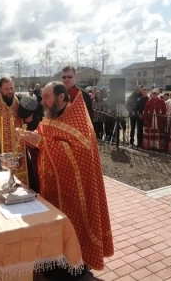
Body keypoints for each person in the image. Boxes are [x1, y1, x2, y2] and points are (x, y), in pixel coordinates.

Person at [17, 82, 113, 280]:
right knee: (53, 225)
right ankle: (54, 262)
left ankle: (74, 266)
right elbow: (44, 135)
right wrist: (32, 137)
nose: (42, 101)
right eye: (42, 97)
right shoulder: (51, 116)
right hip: (51, 186)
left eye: (46, 97)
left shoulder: (78, 119)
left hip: (74, 192)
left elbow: (80, 152)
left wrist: (40, 142)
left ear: (60, 97)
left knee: (73, 227)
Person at [0, 77, 39, 188]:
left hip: (19, 147)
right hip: (0, 148)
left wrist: (29, 121)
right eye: (6, 89)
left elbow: (33, 123)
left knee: (26, 181)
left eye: (11, 88)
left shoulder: (22, 102)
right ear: (0, 89)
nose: (9, 91)